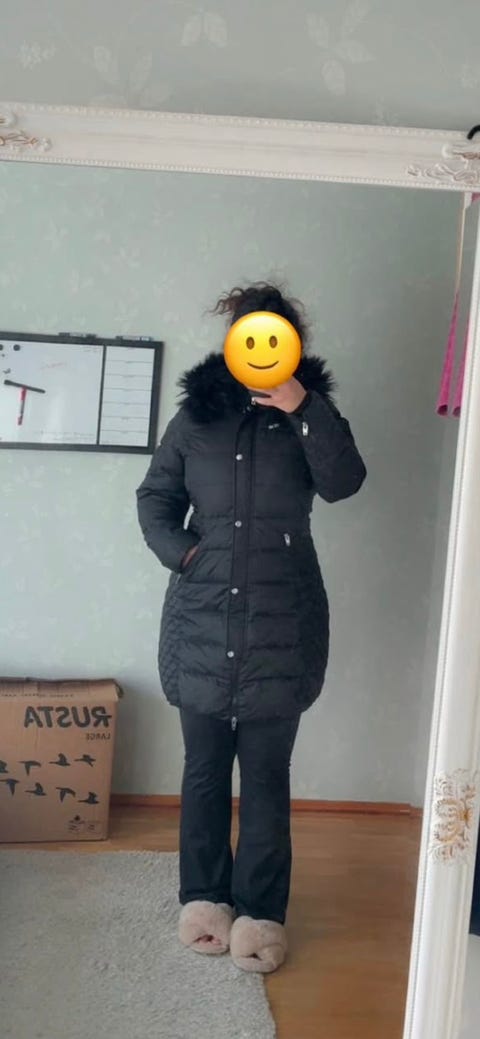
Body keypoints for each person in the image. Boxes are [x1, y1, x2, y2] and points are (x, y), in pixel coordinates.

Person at [136, 281, 366, 973]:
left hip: (281, 621)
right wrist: (186, 553)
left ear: (292, 343)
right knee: (205, 770)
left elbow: (345, 481)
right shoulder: (195, 418)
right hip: (202, 620)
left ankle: (261, 914)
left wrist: (303, 408)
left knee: (266, 774)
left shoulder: (311, 413)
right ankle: (204, 900)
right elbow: (155, 496)